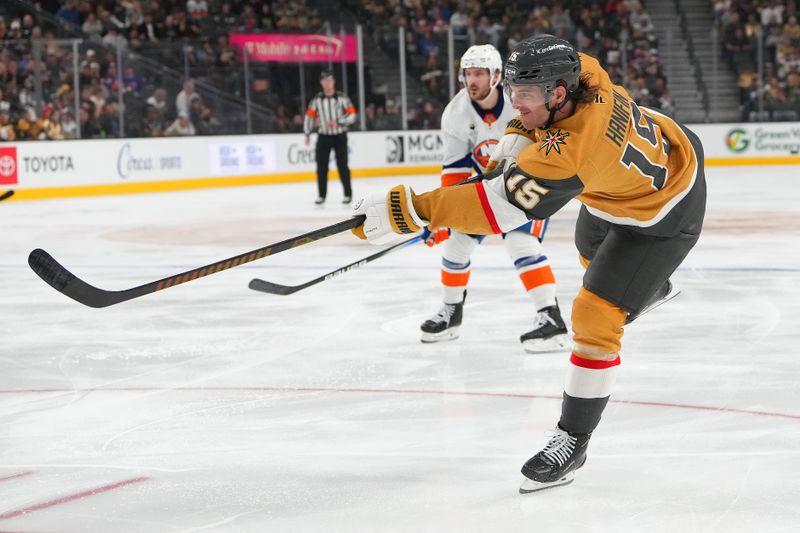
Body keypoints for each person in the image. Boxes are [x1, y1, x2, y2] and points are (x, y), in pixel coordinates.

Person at [350, 35, 706, 493]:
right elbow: (535, 123)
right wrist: (517, 137)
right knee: (591, 253)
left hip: (666, 212)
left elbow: (495, 209)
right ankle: (648, 287)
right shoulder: (585, 72)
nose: (514, 103)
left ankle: (572, 439)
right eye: (513, 91)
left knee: (594, 315)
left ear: (559, 94)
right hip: (636, 175)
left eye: (525, 96)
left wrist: (411, 209)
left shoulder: (570, 153)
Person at [420, 44, 568, 353]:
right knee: (456, 245)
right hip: (486, 191)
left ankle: (551, 318)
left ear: (496, 75)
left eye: (478, 73)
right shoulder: (455, 113)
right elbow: (456, 171)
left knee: (520, 244)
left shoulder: (520, 102)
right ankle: (451, 314)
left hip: (527, 186)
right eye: (467, 73)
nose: (471, 80)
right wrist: (445, 215)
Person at [303, 71, 357, 205]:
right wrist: (307, 132)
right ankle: (321, 196)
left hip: (339, 136)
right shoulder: (316, 100)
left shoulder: (342, 98)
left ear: (333, 82)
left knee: (343, 166)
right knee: (321, 167)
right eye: (325, 81)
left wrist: (339, 121)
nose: (327, 83)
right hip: (323, 137)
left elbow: (352, 115)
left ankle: (347, 194)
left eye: (330, 80)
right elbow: (309, 116)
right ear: (321, 83)